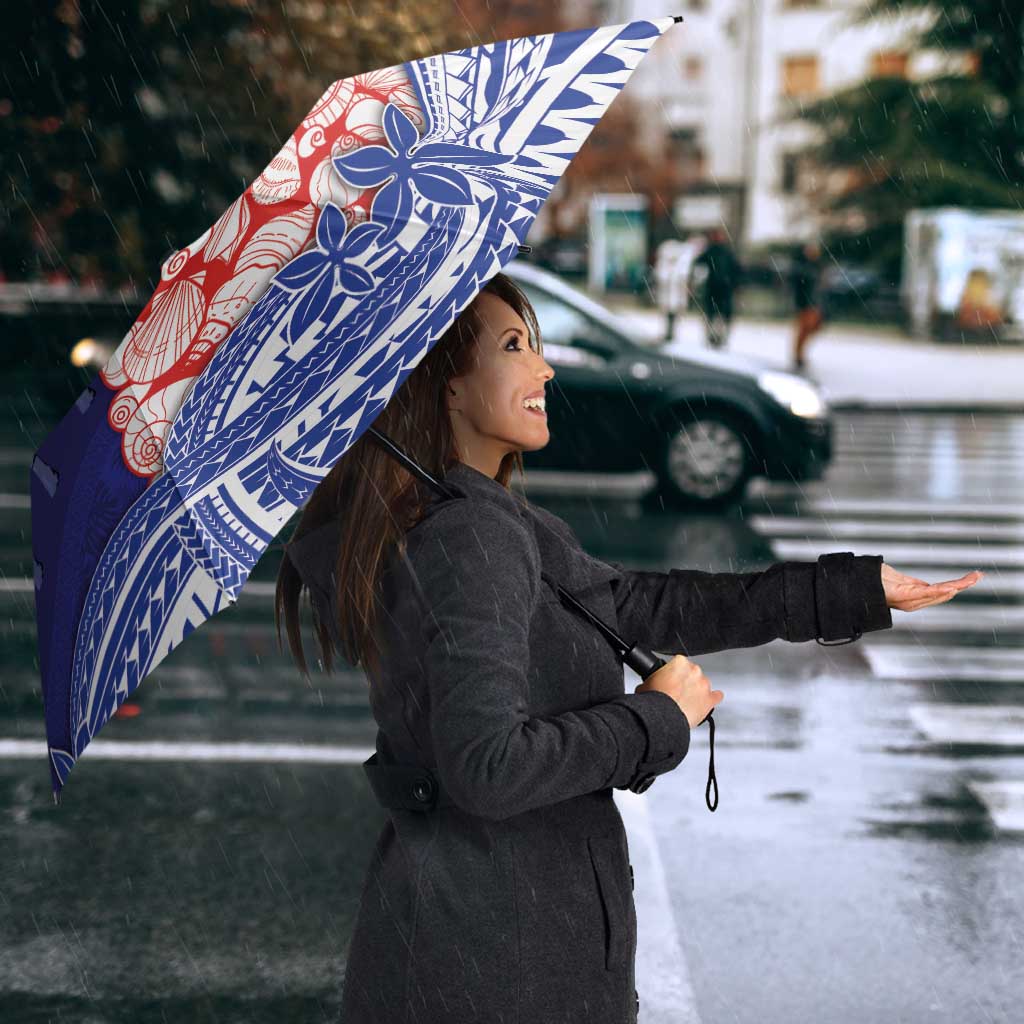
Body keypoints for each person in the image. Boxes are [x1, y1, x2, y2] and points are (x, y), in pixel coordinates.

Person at [276, 272, 977, 1024]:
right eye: (514, 347)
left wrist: (849, 591)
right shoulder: (469, 537)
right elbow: (487, 768)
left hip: (480, 943)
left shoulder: (476, 517)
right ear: (446, 386)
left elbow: (641, 605)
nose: (544, 368)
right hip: (497, 963)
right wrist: (655, 719)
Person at [692, 226, 742, 349]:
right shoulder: (712, 251)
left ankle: (719, 337)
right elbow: (698, 264)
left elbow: (736, 270)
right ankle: (713, 337)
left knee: (720, 315)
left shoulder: (725, 252)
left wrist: (735, 284)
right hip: (715, 288)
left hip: (723, 288)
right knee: (713, 314)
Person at [790, 239, 826, 371]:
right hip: (805, 303)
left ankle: (800, 354)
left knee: (812, 328)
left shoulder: (817, 266)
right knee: (804, 329)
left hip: (814, 303)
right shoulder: (802, 267)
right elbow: (799, 286)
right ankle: (798, 355)